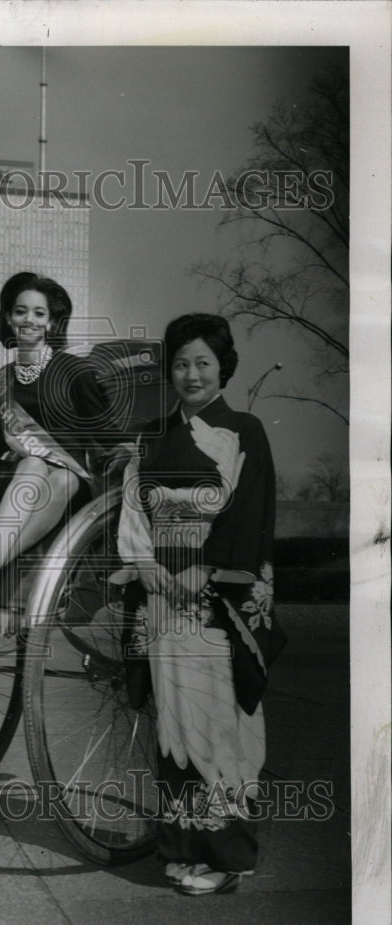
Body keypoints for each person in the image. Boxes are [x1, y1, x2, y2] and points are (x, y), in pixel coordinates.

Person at [115, 313, 285, 895]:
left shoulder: (244, 431)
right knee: (175, 724)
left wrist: (208, 571)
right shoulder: (152, 439)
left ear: (222, 368)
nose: (191, 374)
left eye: (202, 363)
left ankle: (227, 856)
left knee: (219, 723)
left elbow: (250, 515)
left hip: (214, 601)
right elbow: (134, 513)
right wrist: (145, 564)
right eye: (182, 363)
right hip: (163, 598)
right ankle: (182, 847)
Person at [0, 272, 108, 613]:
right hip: (28, 475)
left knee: (61, 475)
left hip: (72, 480)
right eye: (21, 311)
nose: (29, 320)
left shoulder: (74, 371)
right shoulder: (5, 378)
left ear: (51, 323)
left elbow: (104, 429)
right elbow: (1, 434)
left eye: (39, 313)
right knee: (34, 463)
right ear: (8, 318)